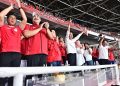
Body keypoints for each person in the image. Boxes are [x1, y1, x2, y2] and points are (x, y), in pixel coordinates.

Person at [0, 0, 27, 86]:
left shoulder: (18, 28)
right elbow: (0, 15)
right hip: (5, 54)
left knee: (14, 77)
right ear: (7, 19)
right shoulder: (3, 27)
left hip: (16, 55)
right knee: (3, 76)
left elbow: (25, 19)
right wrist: (11, 7)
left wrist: (19, 7)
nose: (12, 19)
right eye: (11, 18)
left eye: (14, 18)